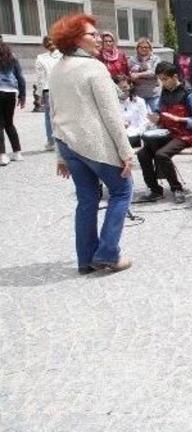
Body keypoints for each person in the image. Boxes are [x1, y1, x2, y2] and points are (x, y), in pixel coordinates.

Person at [48, 14, 135, 272]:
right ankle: (108, 254)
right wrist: (126, 152)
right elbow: (112, 115)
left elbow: (54, 112)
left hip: (69, 144)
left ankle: (85, 260)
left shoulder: (57, 68)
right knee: (122, 191)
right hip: (93, 144)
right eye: (92, 35)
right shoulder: (94, 68)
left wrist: (60, 156)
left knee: (87, 200)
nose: (99, 39)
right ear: (76, 39)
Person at [136, 62, 192, 204]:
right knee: (142, 154)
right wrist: (156, 117)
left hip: (184, 134)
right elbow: (160, 112)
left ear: (175, 76)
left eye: (165, 79)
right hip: (167, 133)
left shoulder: (188, 92)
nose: (163, 83)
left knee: (161, 154)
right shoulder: (164, 92)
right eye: (161, 79)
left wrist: (179, 119)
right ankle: (155, 189)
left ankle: (176, 189)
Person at [0, 36, 26, 166]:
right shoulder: (11, 56)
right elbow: (20, 76)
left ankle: (2, 155)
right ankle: (17, 153)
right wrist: (23, 95)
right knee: (9, 123)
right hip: (11, 92)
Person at [35, 35, 62, 151]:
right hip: (62, 88)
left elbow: (40, 80)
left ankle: (51, 142)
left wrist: (39, 95)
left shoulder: (40, 58)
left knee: (49, 117)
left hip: (48, 89)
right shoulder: (63, 56)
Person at [114, 74, 150, 147]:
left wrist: (134, 134)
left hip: (136, 136)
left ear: (130, 86)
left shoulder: (139, 101)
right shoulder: (112, 104)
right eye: (119, 89)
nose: (122, 91)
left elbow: (144, 122)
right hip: (119, 137)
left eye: (125, 87)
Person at [129, 37, 161, 113]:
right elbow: (130, 75)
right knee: (141, 119)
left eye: (146, 47)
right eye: (141, 47)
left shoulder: (155, 59)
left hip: (153, 94)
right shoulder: (132, 60)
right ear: (137, 48)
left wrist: (138, 75)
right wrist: (145, 71)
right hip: (138, 95)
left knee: (156, 117)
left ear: (150, 48)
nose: (144, 49)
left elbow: (154, 73)